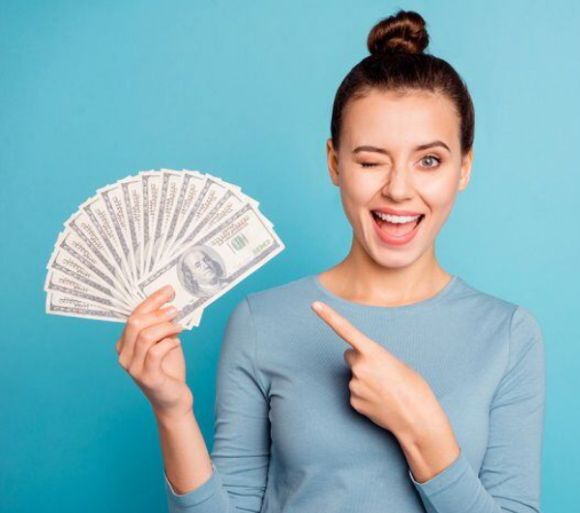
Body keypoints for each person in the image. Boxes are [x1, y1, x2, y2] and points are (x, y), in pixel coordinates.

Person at [115, 9, 546, 513]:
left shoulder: (509, 334)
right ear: (334, 163)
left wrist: (420, 426)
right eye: (370, 160)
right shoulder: (261, 322)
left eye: (428, 160)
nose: (399, 189)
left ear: (463, 168)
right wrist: (173, 411)